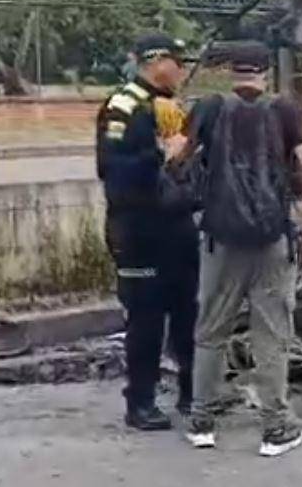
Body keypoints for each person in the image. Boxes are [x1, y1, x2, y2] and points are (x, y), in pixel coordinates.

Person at [185, 42, 302, 457]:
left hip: (220, 239)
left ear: (232, 71)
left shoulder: (208, 107)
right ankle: (275, 429)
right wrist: (291, 192)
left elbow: (175, 155)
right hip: (271, 240)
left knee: (210, 331)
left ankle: (202, 423)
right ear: (265, 72)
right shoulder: (285, 110)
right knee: (272, 336)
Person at [95, 34, 200, 431]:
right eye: (178, 62)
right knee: (146, 319)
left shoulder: (171, 107)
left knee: (190, 311)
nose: (182, 70)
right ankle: (140, 403)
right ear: (157, 62)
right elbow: (112, 168)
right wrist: (161, 153)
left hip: (176, 227)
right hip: (138, 229)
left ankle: (195, 394)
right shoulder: (124, 106)